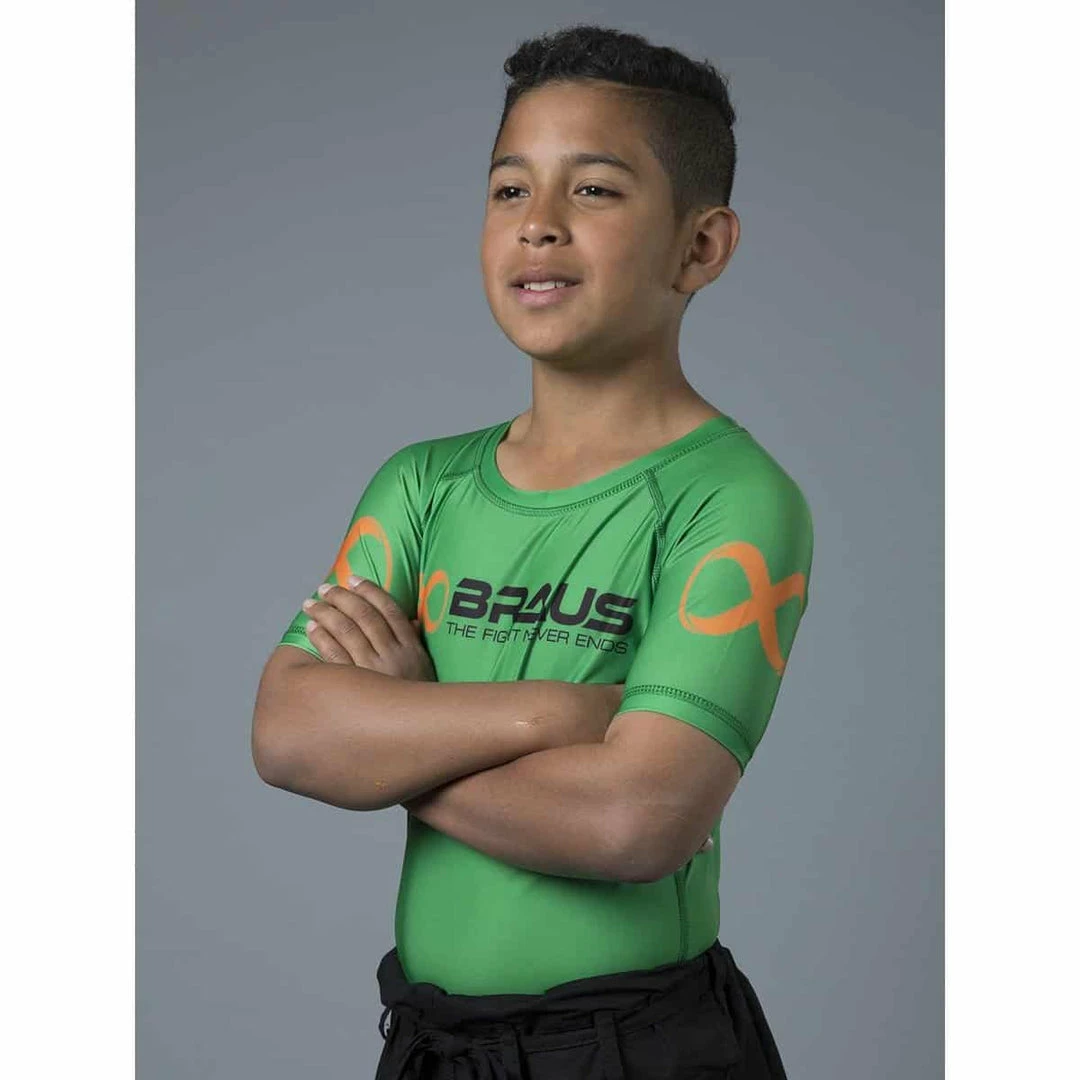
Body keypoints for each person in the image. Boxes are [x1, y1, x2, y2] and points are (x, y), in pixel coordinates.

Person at [251, 23, 813, 1079]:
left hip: (633, 1049)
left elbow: (633, 822)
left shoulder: (733, 498)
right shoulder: (422, 485)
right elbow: (288, 733)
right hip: (431, 1048)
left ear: (701, 247)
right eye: (510, 189)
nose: (538, 223)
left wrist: (401, 739)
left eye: (593, 190)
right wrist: (556, 714)